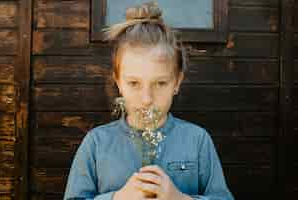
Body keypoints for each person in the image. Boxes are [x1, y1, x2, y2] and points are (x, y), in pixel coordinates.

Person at [63, 2, 234, 200]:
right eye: (134, 83)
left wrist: (179, 198)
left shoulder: (197, 140)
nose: (146, 99)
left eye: (160, 83)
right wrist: (118, 198)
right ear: (118, 82)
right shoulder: (96, 143)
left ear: (177, 82)